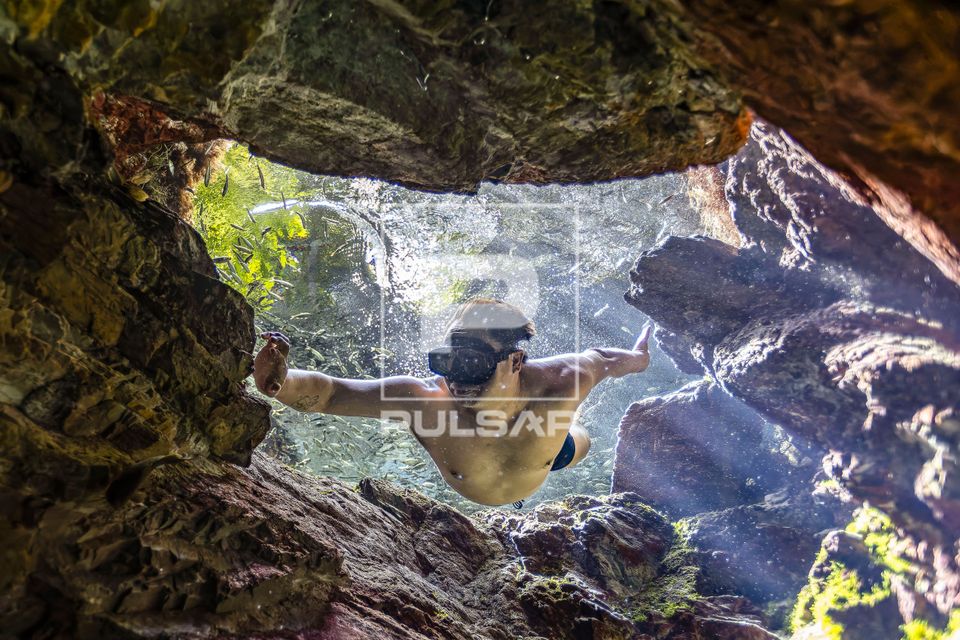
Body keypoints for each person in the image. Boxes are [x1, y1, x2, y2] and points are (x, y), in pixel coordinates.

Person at [253, 298, 651, 507]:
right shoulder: (425, 402)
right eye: (447, 363)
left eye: (472, 364)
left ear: (515, 362)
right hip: (515, 460)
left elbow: (606, 360)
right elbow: (332, 393)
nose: (457, 380)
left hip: (557, 450)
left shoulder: (563, 381)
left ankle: (571, 427)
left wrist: (641, 358)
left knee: (578, 438)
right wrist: (280, 382)